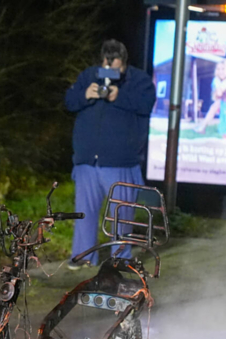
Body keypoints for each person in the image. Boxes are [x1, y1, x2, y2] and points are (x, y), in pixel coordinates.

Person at [64, 39, 156, 267]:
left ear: (124, 62)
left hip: (121, 163)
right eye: (106, 64)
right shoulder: (89, 76)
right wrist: (85, 95)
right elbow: (69, 102)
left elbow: (146, 105)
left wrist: (119, 97)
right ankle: (84, 258)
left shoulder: (140, 80)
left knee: (121, 217)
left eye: (114, 66)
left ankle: (119, 261)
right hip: (87, 163)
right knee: (83, 215)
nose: (109, 71)